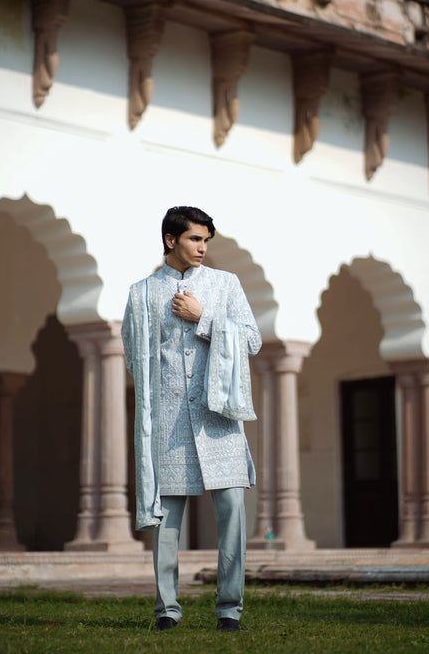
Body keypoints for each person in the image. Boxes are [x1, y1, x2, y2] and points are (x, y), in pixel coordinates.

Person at [121, 206, 261, 632]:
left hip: (219, 418)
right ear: (170, 240)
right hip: (169, 424)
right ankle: (167, 609)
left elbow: (251, 340)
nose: (202, 248)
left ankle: (229, 610)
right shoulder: (142, 293)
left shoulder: (225, 285)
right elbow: (133, 356)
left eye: (205, 240)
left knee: (233, 512)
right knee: (166, 523)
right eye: (195, 239)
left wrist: (204, 319)